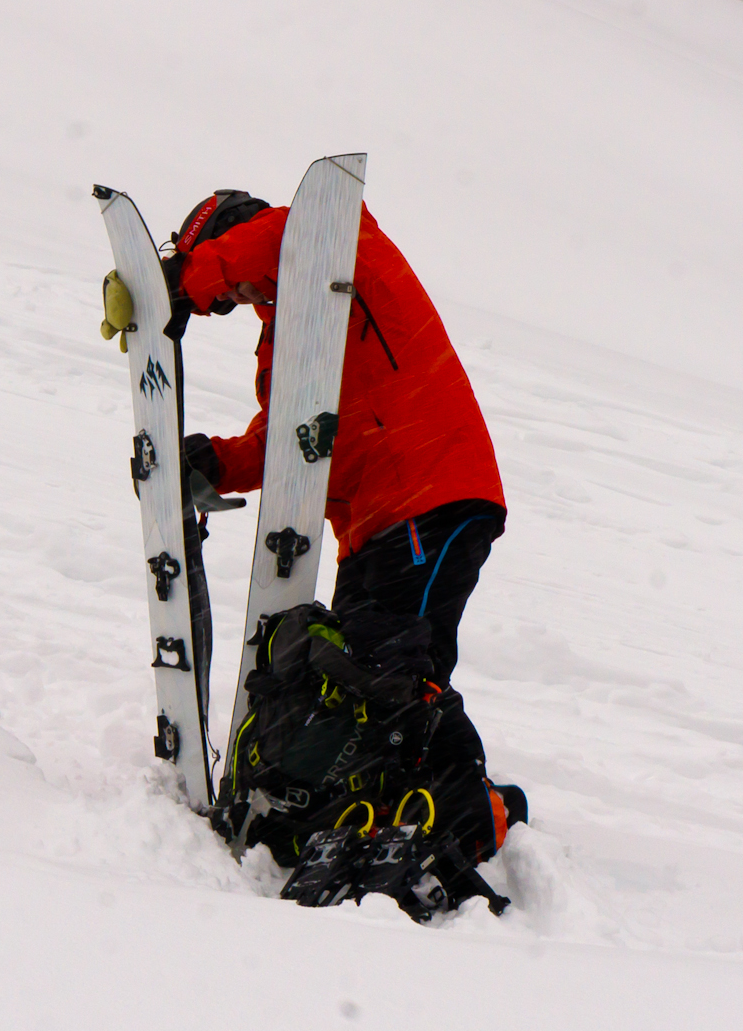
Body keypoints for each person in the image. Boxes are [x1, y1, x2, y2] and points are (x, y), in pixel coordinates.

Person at [164, 189, 524, 871]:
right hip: (381, 521)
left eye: (231, 283)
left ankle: (472, 811)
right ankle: (403, 814)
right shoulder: (298, 326)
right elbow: (291, 441)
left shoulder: (334, 239)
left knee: (389, 674)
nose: (236, 295)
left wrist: (184, 279)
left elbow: (291, 230)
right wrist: (219, 459)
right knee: (364, 680)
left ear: (228, 237)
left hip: (427, 492)